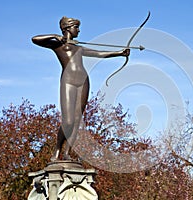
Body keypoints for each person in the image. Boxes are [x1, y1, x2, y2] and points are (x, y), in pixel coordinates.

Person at [32, 16, 130, 161]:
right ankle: (57, 150)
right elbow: (35, 39)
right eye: (76, 27)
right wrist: (54, 36)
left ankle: (67, 152)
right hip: (68, 81)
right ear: (67, 28)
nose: (78, 30)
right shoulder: (57, 45)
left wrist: (119, 53)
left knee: (78, 119)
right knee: (68, 120)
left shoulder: (78, 47)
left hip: (83, 81)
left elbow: (98, 53)